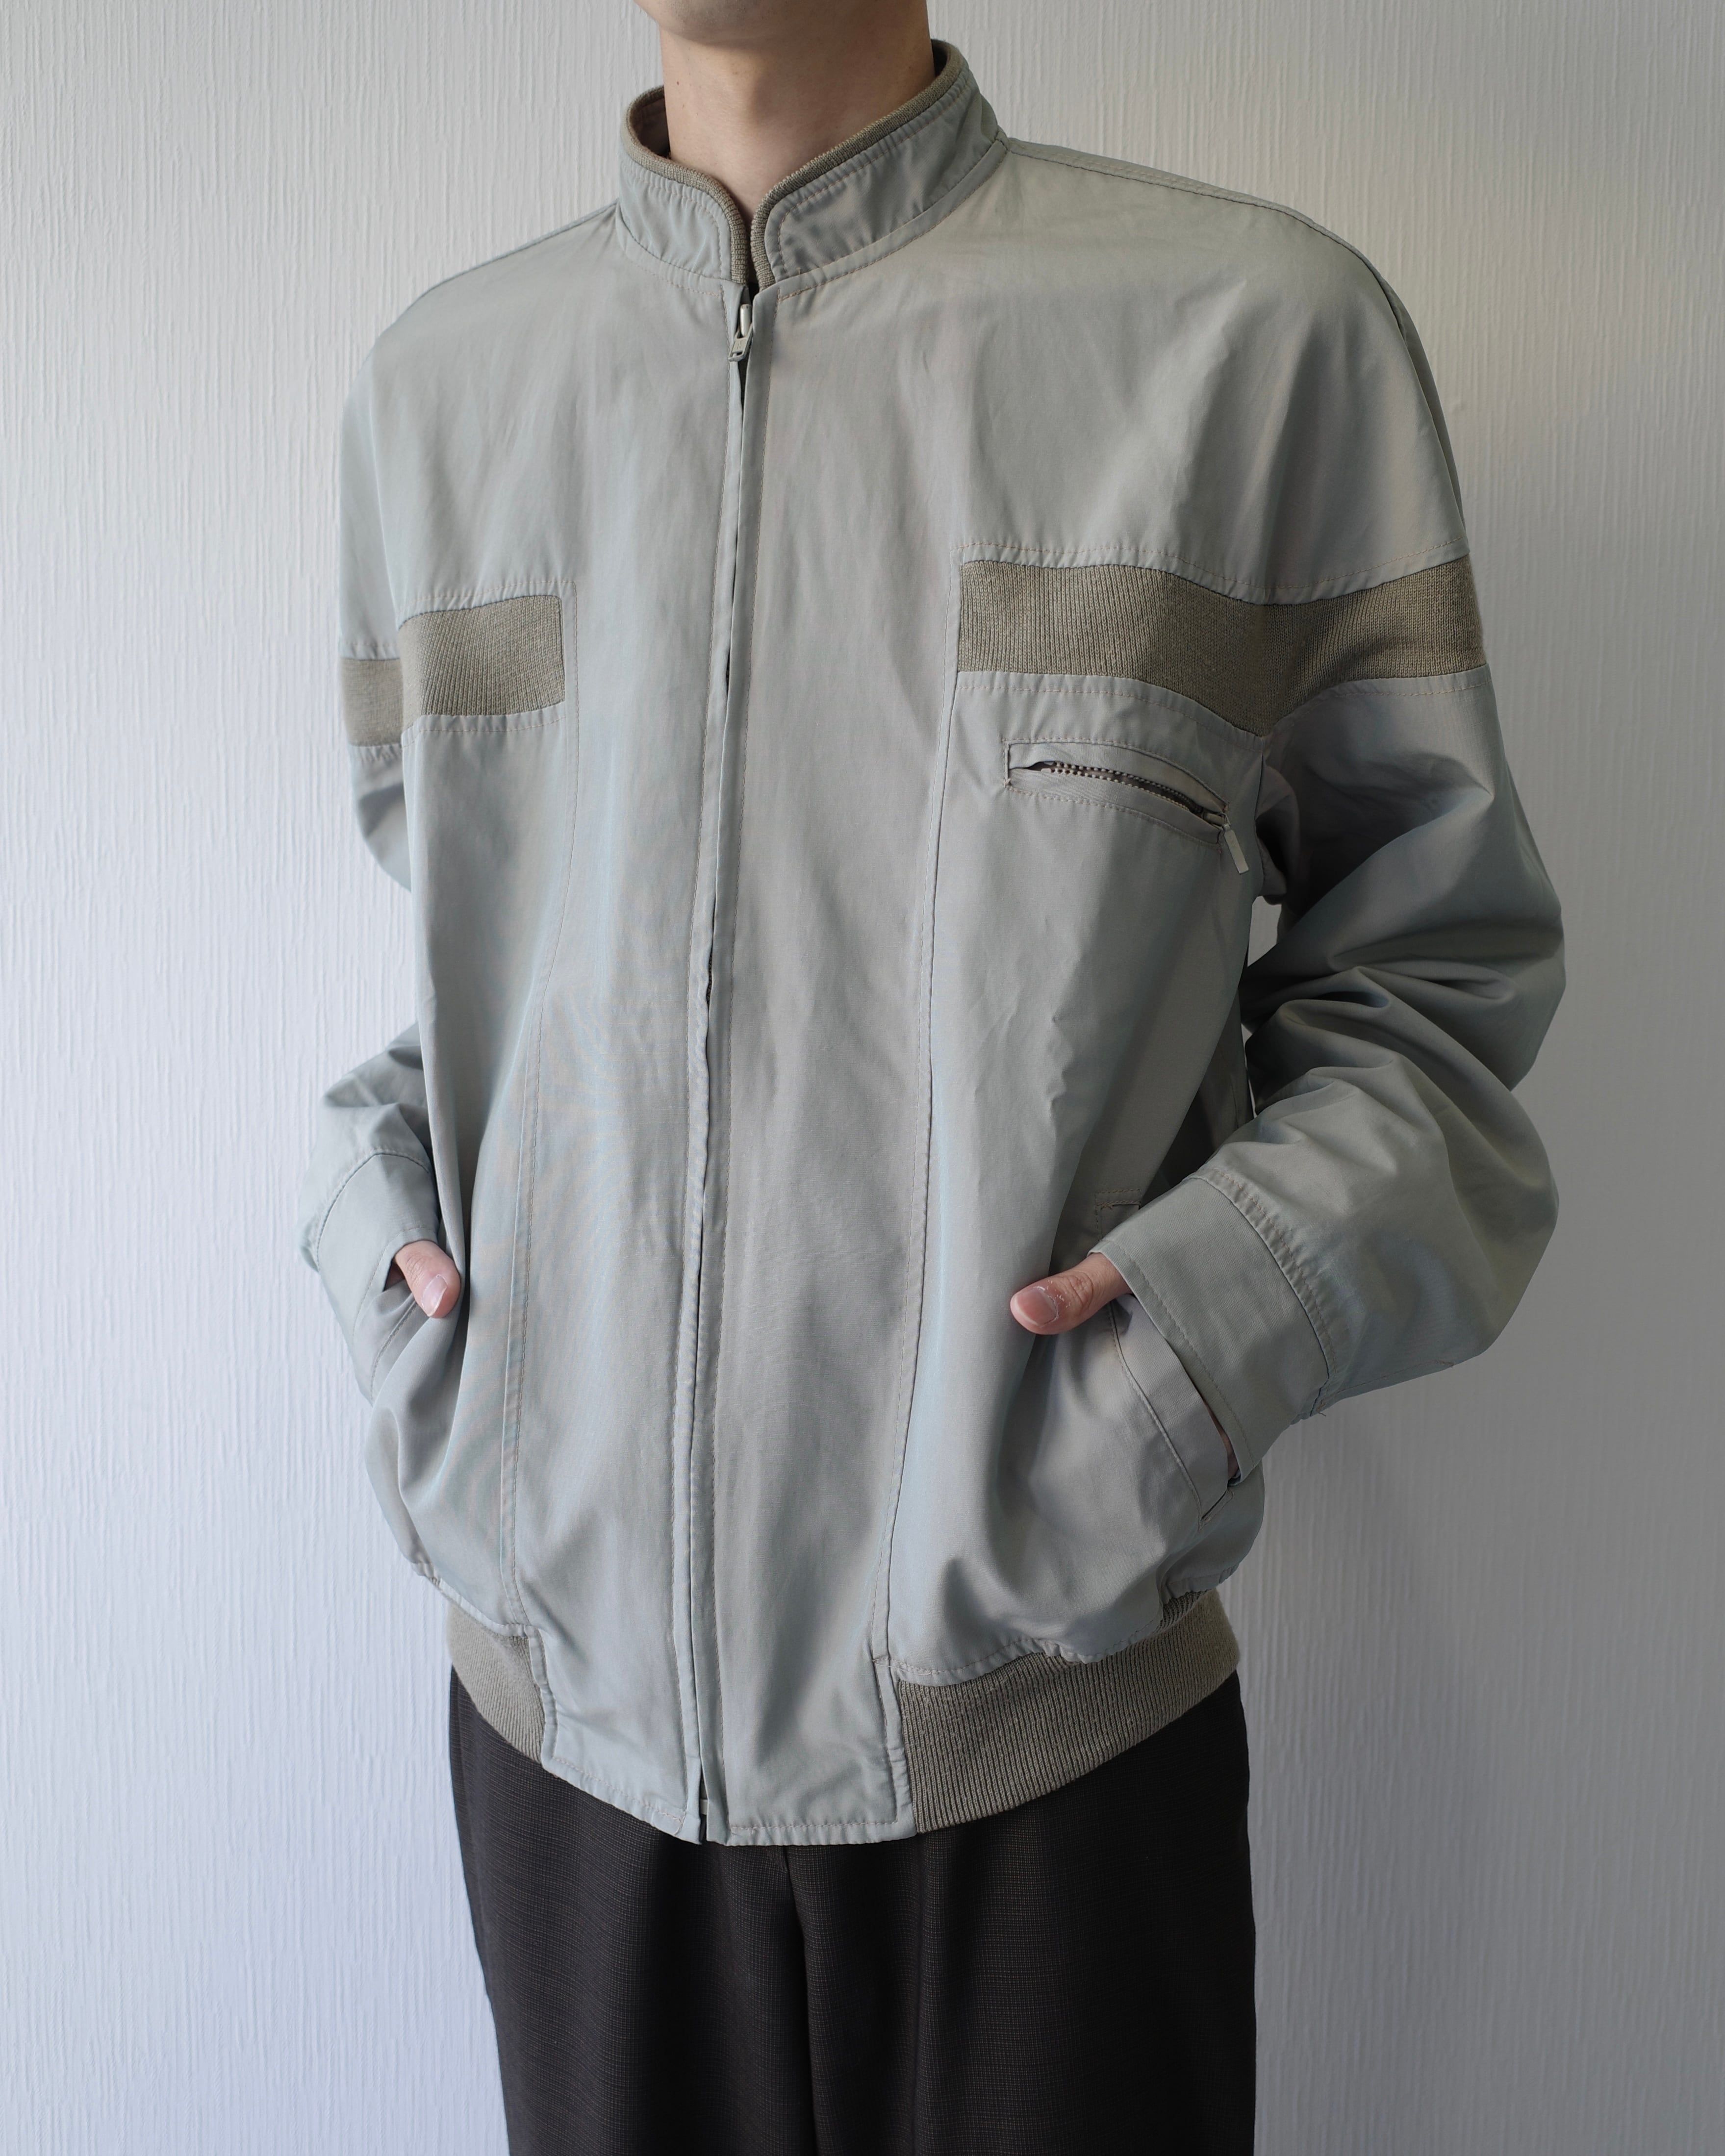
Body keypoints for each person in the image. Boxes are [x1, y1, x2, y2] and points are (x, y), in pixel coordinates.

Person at [297, 1, 1564, 2147]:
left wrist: (1186, 1351)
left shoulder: (1252, 341)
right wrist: (380, 1215)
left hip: (1045, 1729)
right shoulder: (438, 394)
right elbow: (516, 981)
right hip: (560, 1728)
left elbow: (1437, 988)